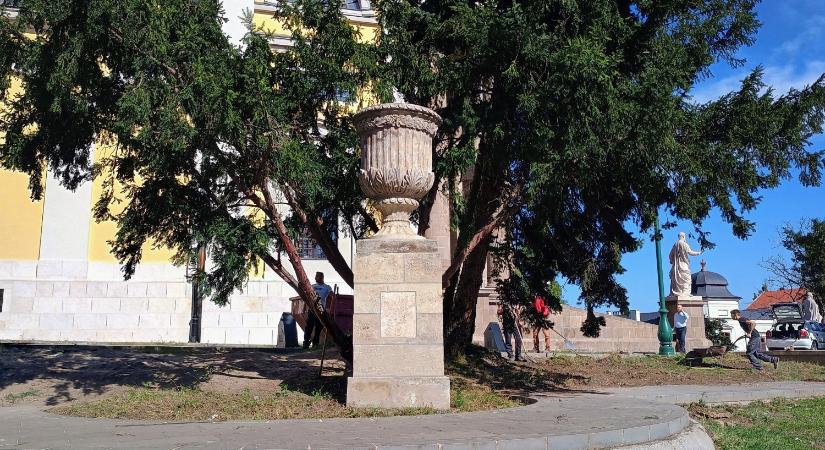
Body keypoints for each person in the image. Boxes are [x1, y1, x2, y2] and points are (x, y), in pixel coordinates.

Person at [303, 271, 333, 349]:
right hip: (312, 309)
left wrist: (330, 307)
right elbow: (307, 297)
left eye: (318, 277)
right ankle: (306, 342)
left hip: (321, 310)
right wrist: (305, 308)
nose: (316, 278)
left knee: (318, 327)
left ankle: (315, 343)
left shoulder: (327, 287)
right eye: (316, 276)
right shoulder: (312, 286)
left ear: (322, 277)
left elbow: (332, 297)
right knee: (309, 326)